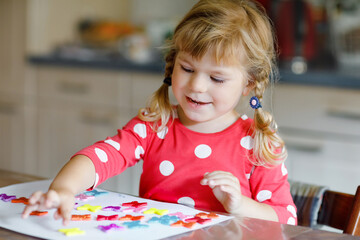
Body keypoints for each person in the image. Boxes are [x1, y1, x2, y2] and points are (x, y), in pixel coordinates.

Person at [22, 0, 297, 226]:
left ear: (248, 83)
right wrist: (63, 190)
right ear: (173, 64)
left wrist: (240, 204)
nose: (197, 86)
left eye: (217, 78)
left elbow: (286, 219)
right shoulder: (155, 126)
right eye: (187, 69)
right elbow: (99, 158)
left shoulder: (258, 142)